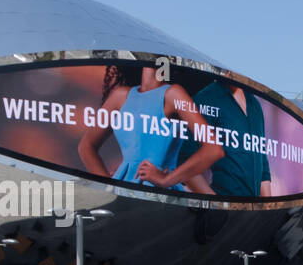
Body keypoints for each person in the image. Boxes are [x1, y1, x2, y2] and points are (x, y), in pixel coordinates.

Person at [77, 63, 221, 193]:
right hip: (123, 190)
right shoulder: (120, 96)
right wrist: (107, 186)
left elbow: (214, 149)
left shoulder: (173, 94)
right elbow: (86, 146)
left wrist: (167, 180)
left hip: (157, 194)